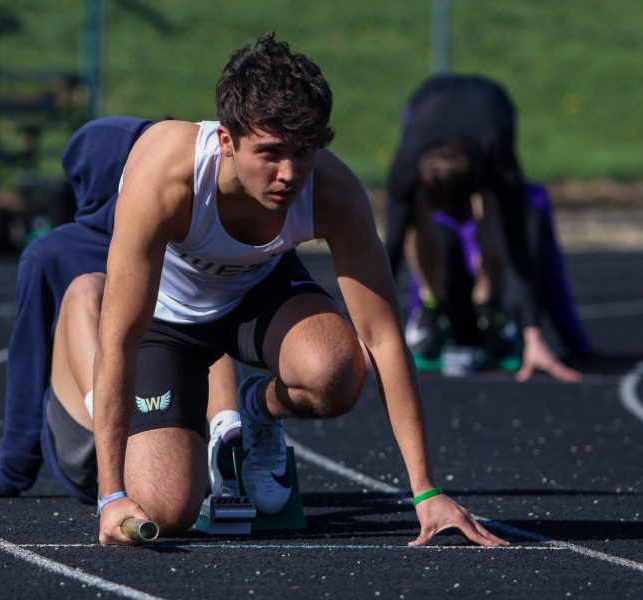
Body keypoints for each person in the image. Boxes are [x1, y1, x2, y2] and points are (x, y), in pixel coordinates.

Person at [70, 33, 506, 547]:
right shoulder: (166, 177)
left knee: (337, 373)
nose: (289, 174)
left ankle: (254, 409)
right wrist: (111, 495)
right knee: (166, 510)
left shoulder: (332, 191)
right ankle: (70, 373)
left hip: (256, 293)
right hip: (169, 322)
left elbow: (385, 338)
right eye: (271, 153)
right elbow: (121, 338)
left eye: (304, 152)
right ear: (226, 141)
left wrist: (425, 491)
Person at [0, 116, 243, 503]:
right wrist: (9, 476)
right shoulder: (52, 254)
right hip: (90, 439)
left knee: (203, 307)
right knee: (88, 291)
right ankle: (136, 433)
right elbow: (29, 362)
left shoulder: (178, 233)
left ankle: (229, 435)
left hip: (165, 421)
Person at [385, 75, 590, 381]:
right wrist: (367, 334)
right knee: (413, 220)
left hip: (490, 104)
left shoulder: (497, 160)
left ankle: (488, 307)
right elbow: (390, 249)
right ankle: (432, 303)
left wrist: (532, 334)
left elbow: (518, 242)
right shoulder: (406, 168)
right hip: (427, 99)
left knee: (496, 212)